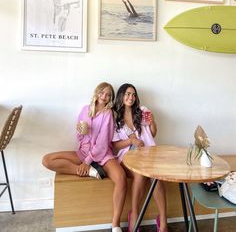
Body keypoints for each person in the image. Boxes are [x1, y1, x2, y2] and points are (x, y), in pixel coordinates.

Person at [42, 82, 127, 232]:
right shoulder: (85, 110)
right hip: (83, 152)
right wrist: (81, 133)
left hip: (103, 155)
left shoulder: (108, 115)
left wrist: (87, 162)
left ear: (110, 98)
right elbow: (80, 136)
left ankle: (115, 224)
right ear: (96, 93)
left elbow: (102, 144)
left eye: (108, 94)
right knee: (47, 160)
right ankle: (90, 172)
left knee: (121, 178)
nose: (104, 96)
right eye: (102, 92)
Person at [112, 83, 168, 232]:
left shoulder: (142, 111)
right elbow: (115, 146)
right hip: (127, 154)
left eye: (133, 94)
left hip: (147, 153)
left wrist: (152, 122)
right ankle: (135, 216)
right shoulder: (115, 116)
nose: (131, 97)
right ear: (121, 95)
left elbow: (153, 133)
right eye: (128, 94)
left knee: (156, 177)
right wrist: (131, 141)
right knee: (140, 174)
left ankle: (163, 222)